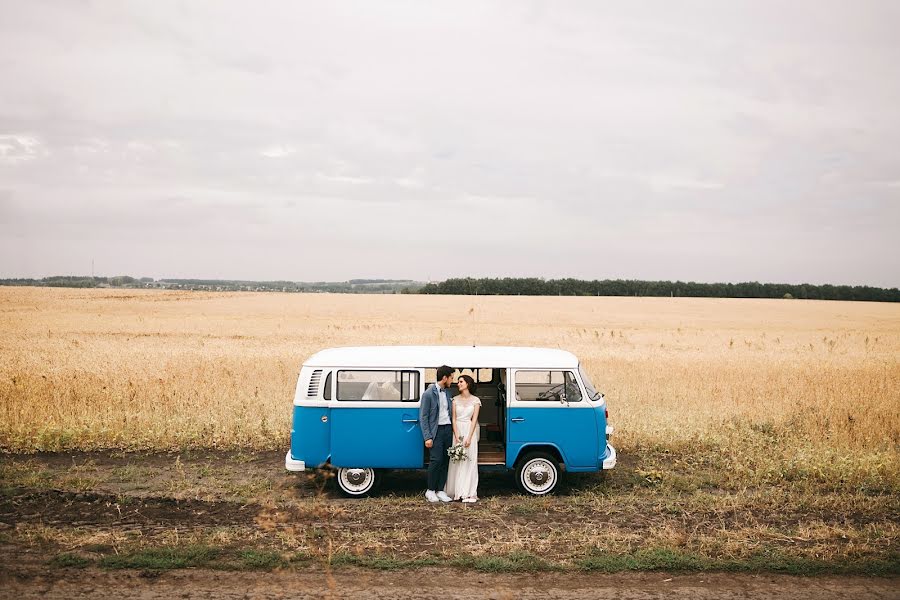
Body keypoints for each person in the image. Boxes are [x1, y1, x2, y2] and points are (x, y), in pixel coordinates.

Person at [420, 365, 455, 503]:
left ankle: (440, 490)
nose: (452, 381)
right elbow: (423, 417)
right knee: (436, 460)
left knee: (446, 460)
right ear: (445, 377)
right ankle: (430, 490)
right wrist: (427, 436)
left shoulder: (447, 393)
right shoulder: (428, 394)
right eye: (451, 378)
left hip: (448, 429)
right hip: (436, 431)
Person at [445, 374, 481, 503]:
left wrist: (469, 437)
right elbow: (453, 419)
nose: (458, 384)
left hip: (470, 430)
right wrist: (457, 435)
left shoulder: (476, 401)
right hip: (458, 430)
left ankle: (468, 492)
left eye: (461, 382)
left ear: (468, 384)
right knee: (456, 460)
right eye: (458, 382)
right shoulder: (455, 400)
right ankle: (456, 491)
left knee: (469, 461)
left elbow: (474, 420)